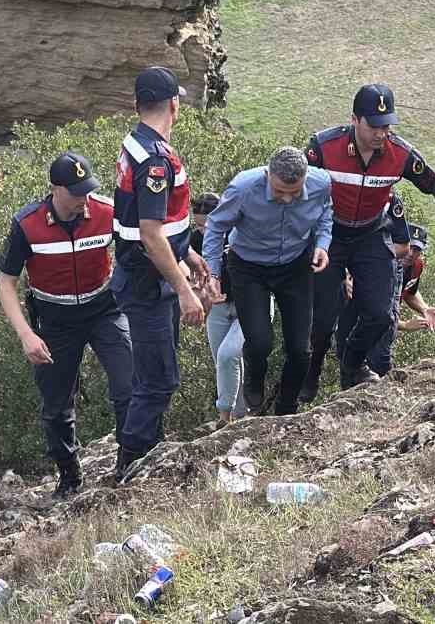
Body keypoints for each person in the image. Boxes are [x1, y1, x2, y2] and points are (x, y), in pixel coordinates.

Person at [302, 84, 435, 401]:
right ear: (354, 120)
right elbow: (292, 185)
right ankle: (310, 376)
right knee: (322, 318)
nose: (380, 133)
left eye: (386, 125)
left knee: (380, 315)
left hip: (371, 234)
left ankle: (353, 364)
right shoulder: (322, 147)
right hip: (329, 233)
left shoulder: (400, 154)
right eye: (374, 125)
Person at [0, 151, 130, 499]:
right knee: (56, 407)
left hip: (104, 311)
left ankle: (129, 464)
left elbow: (143, 245)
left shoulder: (107, 211)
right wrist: (26, 334)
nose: (83, 198)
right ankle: (69, 477)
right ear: (55, 189)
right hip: (54, 321)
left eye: (87, 189)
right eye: (75, 192)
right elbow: (6, 281)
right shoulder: (27, 224)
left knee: (129, 383)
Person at [111, 66, 211, 482]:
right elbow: (150, 235)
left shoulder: (136, 142)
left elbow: (156, 225)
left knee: (154, 374)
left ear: (137, 105)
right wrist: (184, 290)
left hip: (149, 275)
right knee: (160, 379)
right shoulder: (154, 159)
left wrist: (188, 254)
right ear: (174, 106)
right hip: (148, 283)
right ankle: (131, 464)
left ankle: (147, 448)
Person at [202, 147, 333, 415]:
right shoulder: (243, 187)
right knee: (259, 341)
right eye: (279, 191)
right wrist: (213, 274)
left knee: (300, 349)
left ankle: (287, 406)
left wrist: (323, 244)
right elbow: (216, 226)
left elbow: (325, 216)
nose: (286, 199)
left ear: (306, 180)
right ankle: (254, 378)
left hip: (295, 265)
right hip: (249, 268)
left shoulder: (322, 184)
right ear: (267, 175)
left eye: (295, 193)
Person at [333, 197, 435, 378]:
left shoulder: (415, 267)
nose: (410, 253)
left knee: (380, 365)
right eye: (409, 247)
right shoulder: (374, 264)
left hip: (383, 334)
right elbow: (376, 311)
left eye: (417, 250)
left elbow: (410, 292)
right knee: (354, 367)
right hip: (358, 327)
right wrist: (404, 325)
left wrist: (424, 309)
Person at [192, 192, 246, 425]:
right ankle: (242, 415)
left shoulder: (242, 233)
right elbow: (189, 276)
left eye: (208, 225)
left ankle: (224, 417)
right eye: (199, 226)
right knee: (224, 362)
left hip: (248, 305)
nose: (204, 231)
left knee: (229, 354)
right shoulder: (193, 240)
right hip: (217, 309)